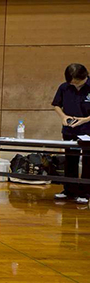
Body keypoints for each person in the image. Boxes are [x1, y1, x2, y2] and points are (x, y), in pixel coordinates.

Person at [52, 63, 90, 204]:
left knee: (88, 162)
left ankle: (86, 192)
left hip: (88, 130)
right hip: (70, 130)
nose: (74, 85)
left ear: (84, 76)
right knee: (70, 159)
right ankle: (69, 190)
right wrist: (63, 117)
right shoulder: (64, 87)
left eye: (77, 82)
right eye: (72, 82)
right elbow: (56, 105)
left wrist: (84, 120)